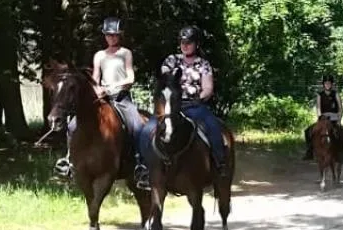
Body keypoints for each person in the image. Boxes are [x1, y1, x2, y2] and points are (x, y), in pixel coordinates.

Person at [56, 17, 151, 188]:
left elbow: (130, 77)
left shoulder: (125, 53)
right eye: (108, 35)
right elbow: (95, 78)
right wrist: (97, 89)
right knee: (71, 125)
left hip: (121, 98)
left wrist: (114, 86)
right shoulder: (99, 55)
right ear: (105, 36)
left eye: (114, 35)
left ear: (119, 35)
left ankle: (141, 166)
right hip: (104, 98)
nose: (111, 38)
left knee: (138, 126)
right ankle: (69, 161)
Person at [159, 24, 228, 176]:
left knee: (213, 125)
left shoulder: (203, 64)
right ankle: (145, 167)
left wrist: (199, 99)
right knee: (148, 129)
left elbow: (208, 88)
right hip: (171, 104)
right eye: (183, 42)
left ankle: (220, 162)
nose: (185, 45)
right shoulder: (171, 61)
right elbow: (165, 79)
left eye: (189, 42)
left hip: (194, 105)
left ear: (196, 44)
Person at [303, 73, 343, 160]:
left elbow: (340, 108)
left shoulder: (336, 94)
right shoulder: (320, 95)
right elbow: (318, 108)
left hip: (334, 118)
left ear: (332, 84)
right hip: (323, 118)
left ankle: (340, 153)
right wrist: (320, 119)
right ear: (323, 84)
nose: (327, 85)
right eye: (326, 83)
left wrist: (339, 120)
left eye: (329, 83)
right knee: (308, 131)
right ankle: (309, 152)